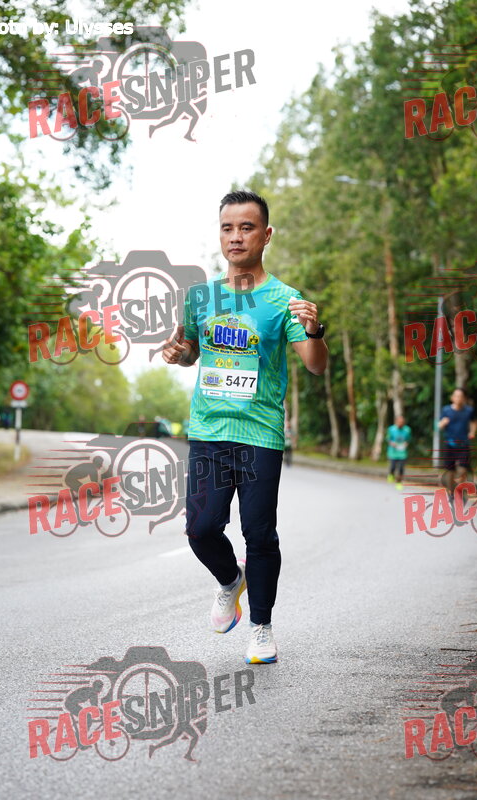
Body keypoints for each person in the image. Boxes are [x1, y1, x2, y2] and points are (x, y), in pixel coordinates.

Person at [162, 190, 328, 664]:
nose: (236, 236)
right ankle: (230, 580)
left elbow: (315, 364)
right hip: (209, 431)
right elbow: (191, 352)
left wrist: (314, 331)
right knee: (200, 529)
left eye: (247, 227)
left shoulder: (285, 300)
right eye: (228, 228)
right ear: (220, 235)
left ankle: (261, 627)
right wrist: (179, 353)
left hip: (260, 434)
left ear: (266, 235)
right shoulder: (200, 297)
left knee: (259, 534)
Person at [438, 387, 477, 502]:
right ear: (452, 398)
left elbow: (474, 421)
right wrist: (443, 423)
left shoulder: (469, 411)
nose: (458, 398)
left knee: (462, 470)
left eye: (460, 396)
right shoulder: (446, 410)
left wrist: (472, 432)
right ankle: (451, 492)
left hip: (463, 444)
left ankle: (459, 490)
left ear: (464, 398)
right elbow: (439, 425)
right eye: (456, 396)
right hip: (449, 444)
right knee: (450, 471)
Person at [386, 415, 411, 490]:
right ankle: (391, 474)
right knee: (393, 466)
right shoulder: (391, 429)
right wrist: (392, 443)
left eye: (402, 422)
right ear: (396, 422)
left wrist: (406, 444)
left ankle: (399, 482)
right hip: (393, 452)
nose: (400, 424)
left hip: (402, 453)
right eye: (399, 422)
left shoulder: (407, 430)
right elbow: (388, 439)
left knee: (401, 468)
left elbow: (408, 439)